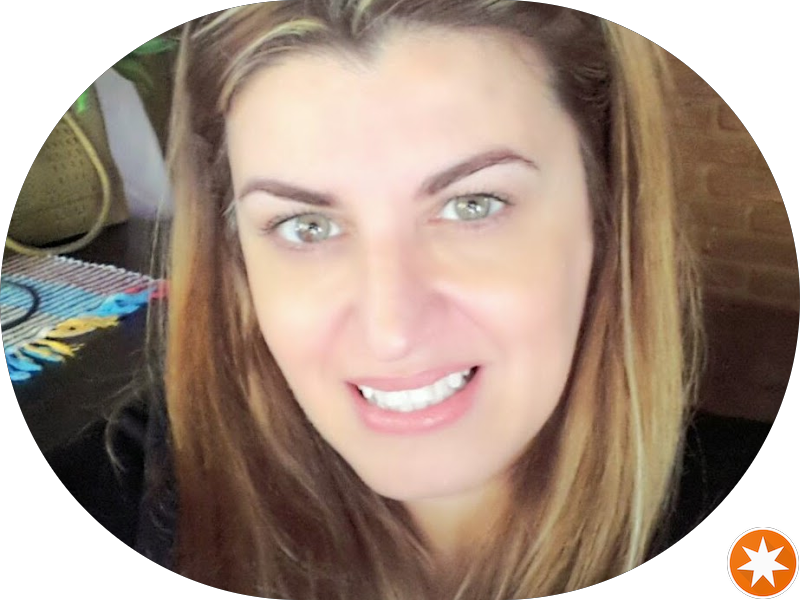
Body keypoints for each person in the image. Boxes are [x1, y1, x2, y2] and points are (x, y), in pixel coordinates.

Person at [44, 1, 771, 598]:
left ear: (608, 212)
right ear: (236, 256)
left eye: (474, 205)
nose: (391, 329)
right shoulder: (130, 493)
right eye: (306, 226)